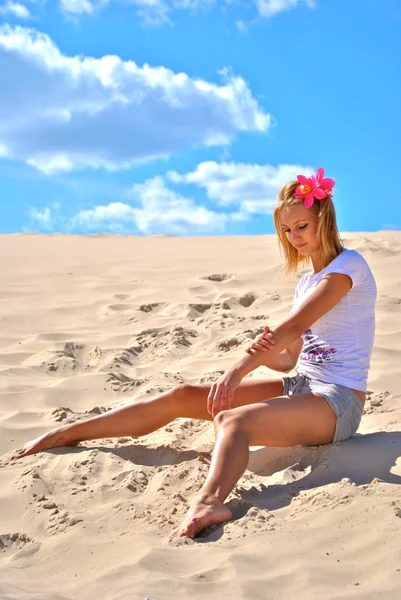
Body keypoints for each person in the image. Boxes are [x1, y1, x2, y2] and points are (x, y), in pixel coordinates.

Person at [10, 167, 377, 539]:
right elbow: (289, 357)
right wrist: (266, 352)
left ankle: (209, 503)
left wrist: (238, 370)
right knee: (181, 396)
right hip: (303, 386)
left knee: (232, 422)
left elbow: (294, 328)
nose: (294, 237)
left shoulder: (348, 268)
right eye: (286, 230)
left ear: (323, 219)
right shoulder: (306, 282)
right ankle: (68, 434)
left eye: (302, 226)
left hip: (339, 402)